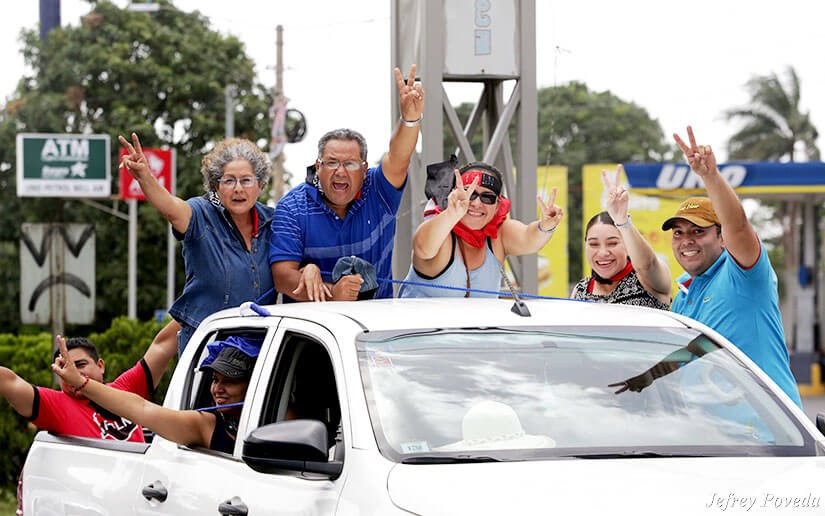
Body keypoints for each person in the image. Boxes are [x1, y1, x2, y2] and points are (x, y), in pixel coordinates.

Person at [665, 125, 802, 407]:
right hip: (707, 429)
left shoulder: (744, 274)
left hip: (768, 427)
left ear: (722, 237)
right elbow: (685, 359)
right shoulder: (683, 296)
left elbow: (738, 226)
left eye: (698, 231)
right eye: (678, 233)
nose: (686, 240)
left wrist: (710, 176)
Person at [269, 64, 424, 302]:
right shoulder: (292, 207)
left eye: (350, 164)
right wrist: (333, 294)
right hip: (312, 323)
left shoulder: (378, 190)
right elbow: (282, 277)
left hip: (378, 320)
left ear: (364, 169)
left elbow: (399, 157)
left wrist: (410, 120)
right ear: (318, 167)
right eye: (331, 163)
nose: (340, 172)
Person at [119, 134, 275, 353]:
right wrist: (145, 176)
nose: (238, 188)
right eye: (229, 180)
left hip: (262, 346)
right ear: (216, 186)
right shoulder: (201, 214)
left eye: (246, 180)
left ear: (260, 185)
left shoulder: (275, 222)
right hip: (207, 345)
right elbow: (171, 208)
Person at [52, 335, 259, 453]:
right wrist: (80, 382)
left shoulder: (277, 420)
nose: (217, 389)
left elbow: (162, 346)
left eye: (230, 381)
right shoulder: (206, 425)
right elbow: (141, 408)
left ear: (255, 384)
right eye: (215, 379)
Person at [398, 163, 563, 298]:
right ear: (454, 196)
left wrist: (546, 226)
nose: (477, 203)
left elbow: (529, 238)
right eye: (469, 194)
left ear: (498, 205)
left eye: (487, 197)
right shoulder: (442, 231)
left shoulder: (499, 233)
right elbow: (422, 247)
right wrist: (451, 213)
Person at [0, 320, 179, 442]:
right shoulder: (56, 405)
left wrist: (194, 301)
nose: (72, 372)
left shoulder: (123, 388)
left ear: (100, 366)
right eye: (65, 367)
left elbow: (162, 346)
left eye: (80, 365)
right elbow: (9, 381)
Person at [571, 166, 671, 309]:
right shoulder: (581, 289)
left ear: (627, 246)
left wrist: (622, 221)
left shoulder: (647, 280)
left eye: (612, 243)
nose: (603, 253)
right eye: (594, 244)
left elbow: (647, 265)